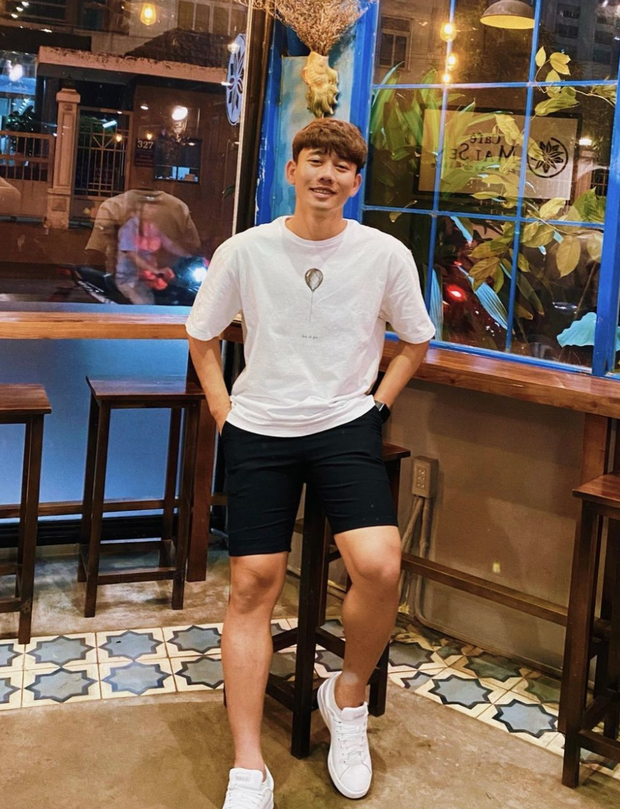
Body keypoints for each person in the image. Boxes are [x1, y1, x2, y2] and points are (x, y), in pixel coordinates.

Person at [186, 118, 435, 809]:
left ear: (355, 182)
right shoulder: (246, 249)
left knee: (380, 565)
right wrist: (222, 409)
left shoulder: (384, 254)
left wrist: (377, 406)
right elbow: (202, 336)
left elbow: (416, 340)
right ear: (292, 171)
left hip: (344, 426)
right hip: (260, 427)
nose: (327, 174)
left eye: (342, 166)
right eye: (315, 160)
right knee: (253, 584)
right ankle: (248, 766)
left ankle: (346, 696)